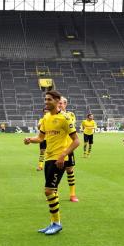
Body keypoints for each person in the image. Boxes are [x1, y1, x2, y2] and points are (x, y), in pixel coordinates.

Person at [23, 90, 79, 235]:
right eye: (45, 99)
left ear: (57, 101)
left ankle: (57, 223)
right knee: (52, 191)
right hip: (48, 158)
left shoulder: (65, 118)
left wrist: (63, 155)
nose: (46, 102)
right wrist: (30, 140)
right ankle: (53, 223)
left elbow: (76, 141)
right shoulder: (46, 118)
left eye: (49, 99)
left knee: (48, 190)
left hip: (59, 160)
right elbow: (41, 138)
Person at [59, 96, 78, 202]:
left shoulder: (70, 115)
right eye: (58, 103)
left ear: (65, 104)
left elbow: (70, 125)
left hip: (68, 148)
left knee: (69, 170)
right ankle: (54, 192)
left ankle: (72, 194)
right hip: (57, 148)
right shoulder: (52, 116)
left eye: (61, 103)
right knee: (56, 171)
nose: (59, 105)